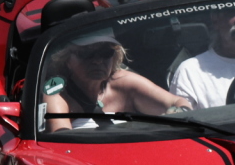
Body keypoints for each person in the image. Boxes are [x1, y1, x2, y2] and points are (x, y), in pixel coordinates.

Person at [43, 32, 189, 130]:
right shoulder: (57, 93)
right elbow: (63, 139)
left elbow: (179, 103)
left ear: (115, 56)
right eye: (86, 53)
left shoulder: (125, 83)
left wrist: (175, 113)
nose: (98, 60)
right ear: (66, 59)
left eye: (106, 52)